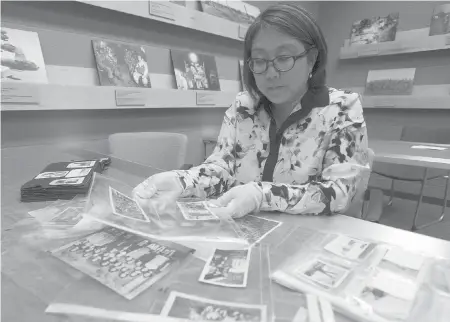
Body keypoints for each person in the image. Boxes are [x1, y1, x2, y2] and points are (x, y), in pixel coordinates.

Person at [133, 3, 371, 218]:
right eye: (259, 60)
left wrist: (261, 195)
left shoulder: (342, 108)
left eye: (284, 58)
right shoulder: (243, 106)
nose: (270, 73)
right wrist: (181, 181)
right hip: (240, 231)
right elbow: (221, 169)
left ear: (312, 59)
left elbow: (339, 192)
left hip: (304, 239)